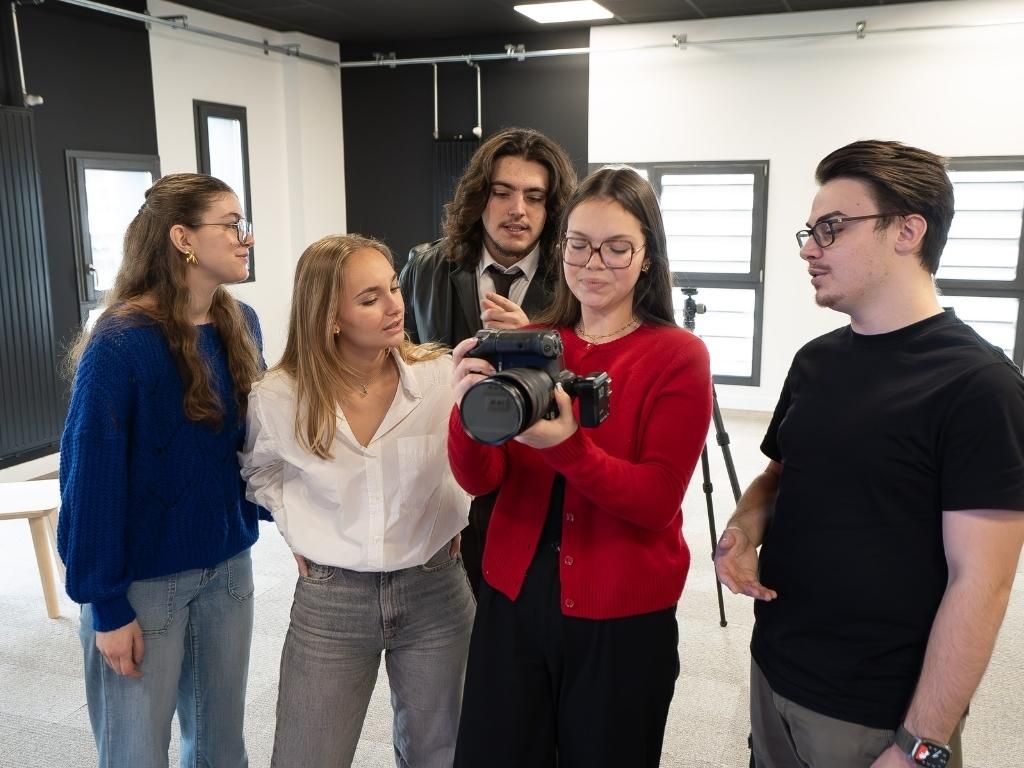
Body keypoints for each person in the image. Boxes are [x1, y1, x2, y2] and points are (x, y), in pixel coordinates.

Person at [714, 140, 1024, 768]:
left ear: (908, 230)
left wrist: (921, 744)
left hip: (874, 715)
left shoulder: (979, 386)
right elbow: (778, 477)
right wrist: (742, 527)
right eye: (811, 229)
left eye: (832, 228)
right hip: (775, 673)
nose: (807, 248)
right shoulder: (815, 361)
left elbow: (981, 585)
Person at [448, 166, 713, 767]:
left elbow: (656, 501)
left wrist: (568, 447)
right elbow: (480, 481)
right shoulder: (532, 342)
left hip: (620, 611)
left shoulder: (677, 356)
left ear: (648, 256)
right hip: (513, 597)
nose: (595, 263)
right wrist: (466, 413)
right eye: (579, 244)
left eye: (618, 247)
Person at [240, 234, 475, 768]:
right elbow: (261, 471)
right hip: (331, 599)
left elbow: (473, 461)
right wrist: (296, 525)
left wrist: (450, 505)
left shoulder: (441, 378)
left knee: (440, 755)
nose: (395, 305)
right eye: (370, 298)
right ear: (329, 317)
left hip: (435, 591)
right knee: (306, 755)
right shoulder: (279, 395)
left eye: (393, 287)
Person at [58, 173, 264, 767]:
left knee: (222, 750)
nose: (245, 238)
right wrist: (106, 605)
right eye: (232, 224)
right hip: (143, 586)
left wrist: (301, 519)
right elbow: (88, 483)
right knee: (135, 753)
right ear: (183, 238)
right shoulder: (120, 343)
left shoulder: (241, 323)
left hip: (228, 571)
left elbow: (256, 447)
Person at [400, 126, 577, 592]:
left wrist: (537, 341)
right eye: (503, 192)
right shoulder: (424, 266)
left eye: (534, 197)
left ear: (552, 208)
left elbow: (593, 375)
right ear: (479, 197)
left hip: (536, 485)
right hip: (443, 477)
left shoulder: (575, 278)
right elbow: (398, 365)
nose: (518, 210)